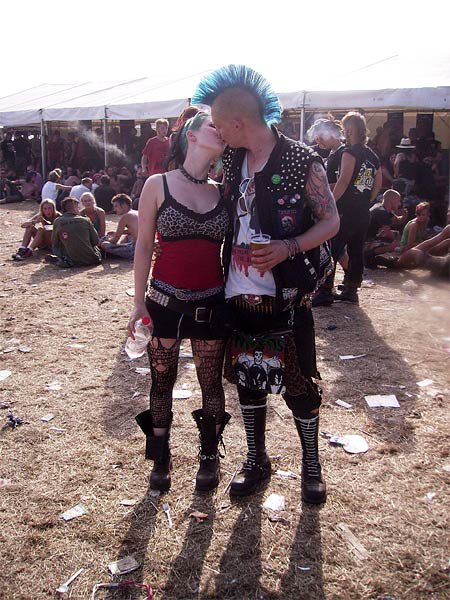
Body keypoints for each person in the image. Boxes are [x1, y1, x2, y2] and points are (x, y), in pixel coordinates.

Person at [192, 64, 339, 504]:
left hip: (286, 293)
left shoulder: (301, 160)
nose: (217, 132)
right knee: (248, 379)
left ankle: (311, 467)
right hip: (237, 291)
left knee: (299, 384)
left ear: (238, 123)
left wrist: (288, 247)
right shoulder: (233, 159)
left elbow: (331, 221)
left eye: (220, 125)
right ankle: (257, 460)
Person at [128, 111, 231, 493]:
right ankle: (160, 457)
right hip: (164, 301)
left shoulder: (223, 191)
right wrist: (138, 303)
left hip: (211, 303)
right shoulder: (158, 184)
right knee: (162, 382)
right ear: (191, 135)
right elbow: (143, 246)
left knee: (211, 384)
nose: (221, 131)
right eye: (213, 126)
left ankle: (209, 455)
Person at [313, 111, 381, 306]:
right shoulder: (373, 155)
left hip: (345, 209)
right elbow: (378, 184)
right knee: (356, 250)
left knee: (331, 248)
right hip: (362, 211)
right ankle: (351, 290)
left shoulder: (349, 152)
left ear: (350, 131)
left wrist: (330, 204)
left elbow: (343, 181)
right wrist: (366, 202)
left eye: (344, 129)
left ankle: (325, 291)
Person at [46, 197, 102, 268]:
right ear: (75, 208)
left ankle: (63, 259)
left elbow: (54, 242)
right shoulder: (85, 220)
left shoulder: (58, 221)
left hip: (71, 260)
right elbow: (96, 241)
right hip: (91, 259)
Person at [364, 189, 408, 266]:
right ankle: (367, 255)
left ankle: (370, 255)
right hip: (365, 241)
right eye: (398, 201)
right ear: (391, 201)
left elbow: (397, 220)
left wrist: (404, 216)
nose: (399, 204)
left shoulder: (383, 208)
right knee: (392, 241)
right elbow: (388, 232)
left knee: (395, 234)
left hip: (369, 237)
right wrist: (397, 244)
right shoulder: (381, 212)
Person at [99, 194, 137, 260]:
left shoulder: (125, 217)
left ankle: (118, 254)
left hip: (135, 252)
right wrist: (119, 232)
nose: (114, 209)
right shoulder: (136, 212)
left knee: (104, 244)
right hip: (146, 248)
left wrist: (108, 240)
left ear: (123, 205)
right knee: (127, 236)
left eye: (116, 206)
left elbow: (114, 240)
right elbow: (135, 230)